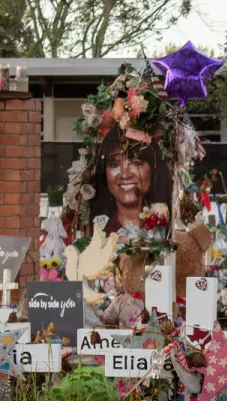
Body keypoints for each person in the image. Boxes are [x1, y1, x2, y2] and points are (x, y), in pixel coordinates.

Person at [78, 126, 208, 299]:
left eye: (137, 163)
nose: (125, 174)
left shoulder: (165, 230)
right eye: (114, 164)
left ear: (154, 169)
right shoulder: (100, 230)